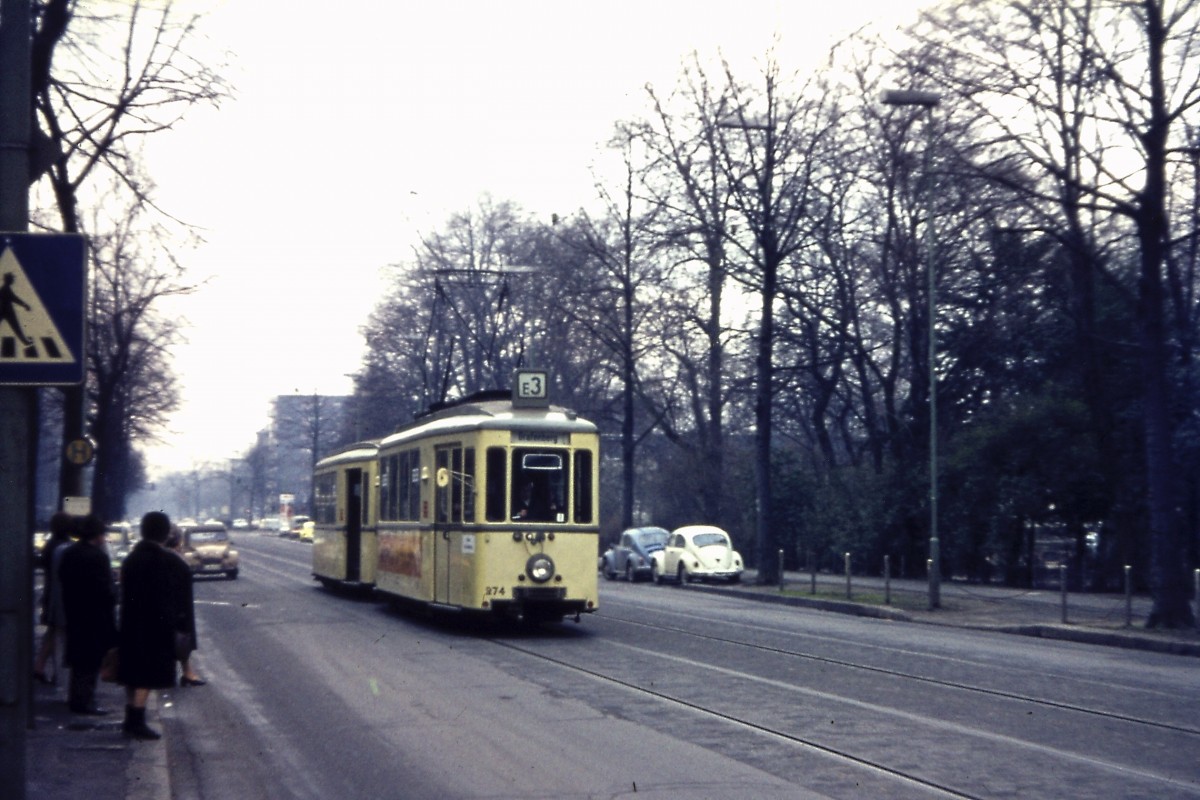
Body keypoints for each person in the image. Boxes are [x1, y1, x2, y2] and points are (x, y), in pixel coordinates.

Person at [57, 514, 118, 715]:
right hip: (95, 616)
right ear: (97, 535)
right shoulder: (98, 557)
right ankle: (85, 701)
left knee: (78, 660)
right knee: (91, 661)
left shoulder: (70, 553)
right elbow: (105, 591)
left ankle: (77, 698)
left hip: (74, 612)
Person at [33, 512, 76, 685]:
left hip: (51, 593)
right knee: (60, 635)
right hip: (60, 595)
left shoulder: (51, 544)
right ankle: (57, 674)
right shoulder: (64, 547)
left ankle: (40, 667)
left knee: (52, 633)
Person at [164, 526, 205, 686]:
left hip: (170, 608)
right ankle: (186, 673)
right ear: (178, 541)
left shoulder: (167, 557)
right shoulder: (176, 559)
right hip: (177, 609)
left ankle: (187, 672)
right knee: (180, 640)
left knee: (178, 640)